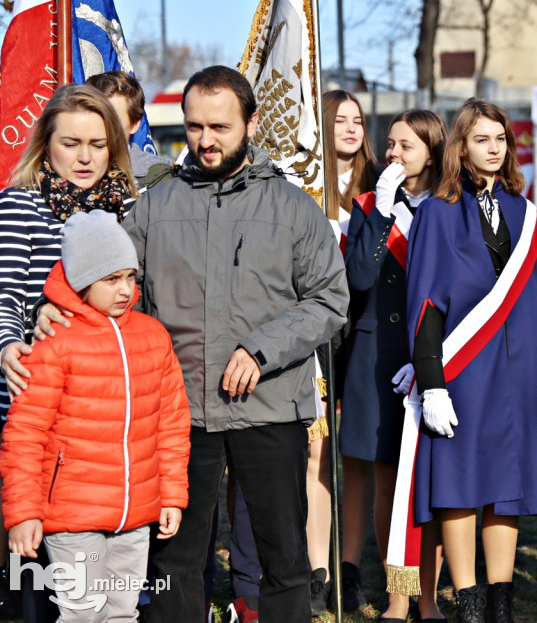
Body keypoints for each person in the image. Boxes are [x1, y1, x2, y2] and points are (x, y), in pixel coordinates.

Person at [29, 66, 350, 621]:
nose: (206, 140)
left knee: (284, 561)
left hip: (269, 409)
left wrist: (261, 350)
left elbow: (329, 299)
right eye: (195, 126)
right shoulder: (152, 206)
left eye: (220, 127)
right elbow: (108, 289)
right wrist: (50, 311)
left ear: (251, 123)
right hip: (177, 417)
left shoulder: (293, 208)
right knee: (174, 563)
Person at [405, 98, 537, 623]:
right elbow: (426, 305)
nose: (494, 149)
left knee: (506, 488)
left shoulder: (528, 214)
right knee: (459, 486)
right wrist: (432, 384)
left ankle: (502, 605)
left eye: (501, 139)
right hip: (463, 375)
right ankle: (469, 605)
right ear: (460, 146)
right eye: (482, 139)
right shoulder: (437, 212)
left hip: (519, 375)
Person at [0, 210, 191, 622]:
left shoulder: (152, 336)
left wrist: (172, 494)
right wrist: (23, 513)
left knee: (123, 612)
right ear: (82, 281)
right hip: (72, 514)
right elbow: (24, 434)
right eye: (111, 279)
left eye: (130, 277)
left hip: (135, 512)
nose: (125, 290)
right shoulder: (54, 343)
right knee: (82, 613)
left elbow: (171, 423)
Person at [0, 83, 138, 623]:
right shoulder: (22, 203)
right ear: (46, 144)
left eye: (98, 144)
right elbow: (6, 291)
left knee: (108, 571)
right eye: (71, 143)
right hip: (39, 397)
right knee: (36, 564)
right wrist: (11, 339)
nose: (84, 157)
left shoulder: (130, 208)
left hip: (106, 408)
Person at [342, 109, 447, 621]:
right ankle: (397, 594)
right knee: (388, 479)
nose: (392, 155)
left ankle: (428, 597)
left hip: (438, 356)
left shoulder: (453, 206)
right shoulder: (370, 206)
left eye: (405, 146)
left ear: (431, 150)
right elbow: (360, 277)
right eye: (389, 145)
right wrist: (382, 211)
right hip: (379, 356)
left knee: (434, 480)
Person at [323, 89, 380, 613]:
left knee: (361, 460)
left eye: (357, 120)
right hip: (319, 335)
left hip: (363, 333)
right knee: (318, 456)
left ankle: (353, 566)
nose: (350, 127)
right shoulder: (303, 186)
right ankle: (317, 562)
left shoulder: (378, 183)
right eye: (339, 119)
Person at [85, 71, 176, 188]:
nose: (99, 126)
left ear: (134, 124)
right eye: (91, 115)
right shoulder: (62, 173)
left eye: (112, 119)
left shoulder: (161, 181)